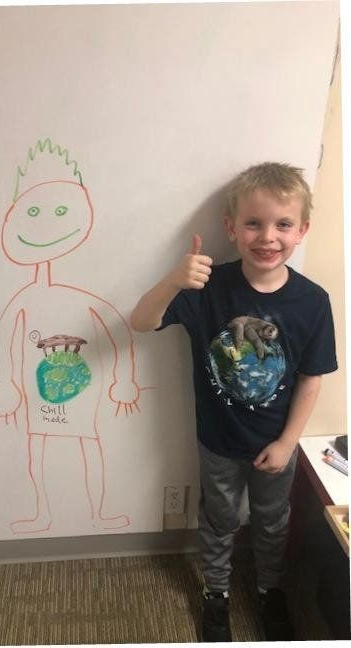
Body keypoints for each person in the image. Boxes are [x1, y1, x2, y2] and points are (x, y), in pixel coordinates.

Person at [130, 162, 338, 642]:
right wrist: (175, 280)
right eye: (253, 223)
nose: (268, 236)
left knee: (272, 522)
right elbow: (141, 322)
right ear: (231, 228)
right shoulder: (208, 289)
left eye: (283, 224)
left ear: (302, 230)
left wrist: (289, 442)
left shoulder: (312, 301)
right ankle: (216, 594)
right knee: (219, 520)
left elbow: (311, 379)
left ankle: (270, 591)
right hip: (218, 443)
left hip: (276, 447)